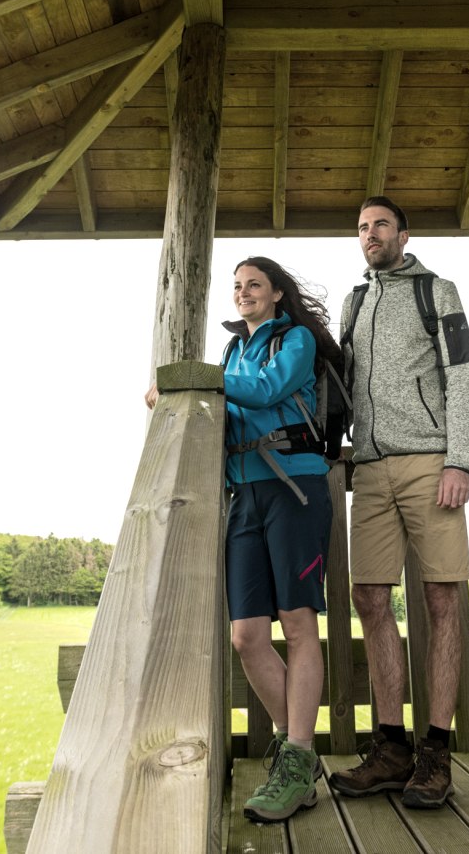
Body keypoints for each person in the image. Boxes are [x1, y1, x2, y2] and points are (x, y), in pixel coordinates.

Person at [145, 256, 340, 824]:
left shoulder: (296, 340)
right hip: (243, 496)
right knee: (247, 636)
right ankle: (296, 751)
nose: (243, 293)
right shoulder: (232, 353)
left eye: (254, 284)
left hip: (295, 487)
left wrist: (191, 377)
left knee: (299, 624)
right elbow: (226, 409)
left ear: (277, 293)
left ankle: (296, 758)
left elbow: (264, 392)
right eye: (236, 287)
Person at [328, 196, 469, 810]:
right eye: (362, 228)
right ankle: (392, 750)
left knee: (443, 595)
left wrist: (459, 459)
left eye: (380, 225)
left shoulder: (436, 292)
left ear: (403, 234)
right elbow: (338, 382)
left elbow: (463, 372)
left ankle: (435, 756)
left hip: (428, 462)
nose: (370, 235)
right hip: (368, 467)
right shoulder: (354, 302)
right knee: (369, 595)